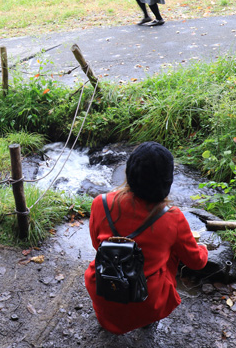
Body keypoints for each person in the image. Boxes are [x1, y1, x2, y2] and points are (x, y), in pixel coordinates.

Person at [84, 141, 208, 334]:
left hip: (103, 289)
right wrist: (203, 249)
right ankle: (147, 319)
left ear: (129, 172)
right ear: (167, 181)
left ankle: (108, 319)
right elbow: (197, 262)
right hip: (146, 301)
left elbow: (96, 245)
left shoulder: (101, 203)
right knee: (173, 253)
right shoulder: (172, 218)